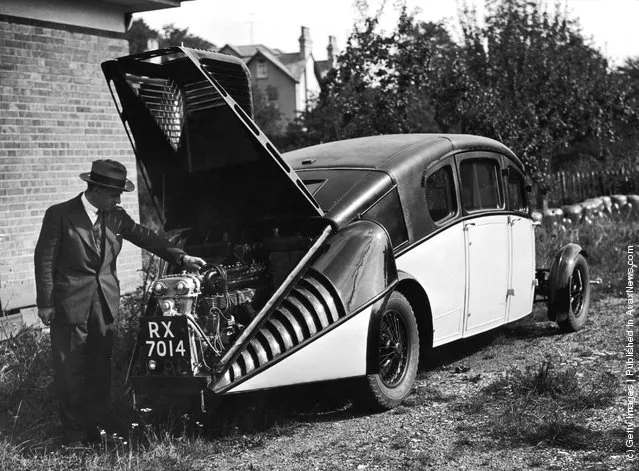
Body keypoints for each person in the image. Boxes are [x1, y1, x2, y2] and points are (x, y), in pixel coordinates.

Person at [34, 159, 206, 446]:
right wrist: (45, 304)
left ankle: (98, 429)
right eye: (114, 194)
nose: (118, 200)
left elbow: (146, 237)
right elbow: (45, 261)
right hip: (69, 303)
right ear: (97, 190)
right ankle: (74, 436)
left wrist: (180, 257)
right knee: (71, 370)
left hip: (104, 303)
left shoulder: (115, 216)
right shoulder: (60, 215)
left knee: (101, 369)